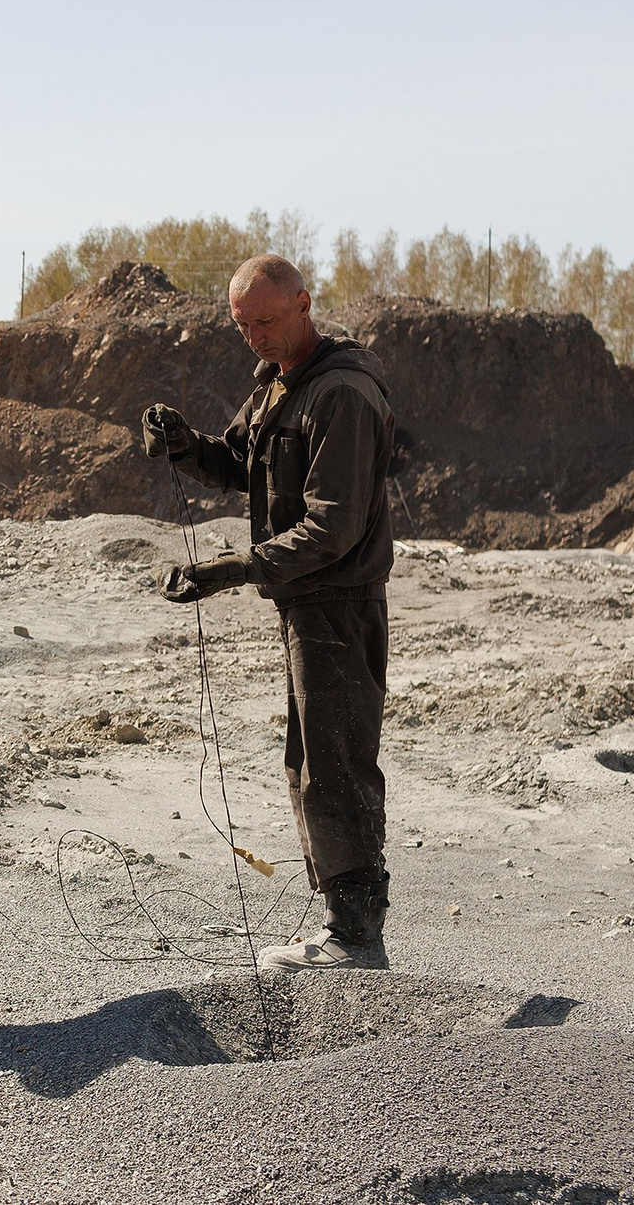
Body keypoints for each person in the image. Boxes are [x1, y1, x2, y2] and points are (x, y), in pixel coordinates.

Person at [141, 254, 397, 973]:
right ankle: (343, 923)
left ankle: (356, 934)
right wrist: (186, 445)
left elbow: (334, 526)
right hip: (306, 599)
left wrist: (230, 569)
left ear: (304, 303)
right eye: (242, 323)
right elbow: (240, 462)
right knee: (311, 757)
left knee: (336, 761)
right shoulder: (281, 385)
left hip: (339, 602)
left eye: (266, 319)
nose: (253, 334)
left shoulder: (339, 393)